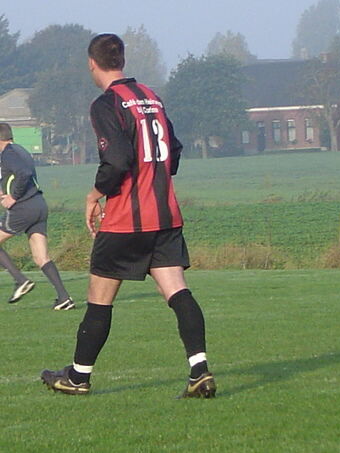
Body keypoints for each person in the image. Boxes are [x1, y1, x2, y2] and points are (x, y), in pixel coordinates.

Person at [41, 34, 216, 398]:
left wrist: (95, 194)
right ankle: (199, 371)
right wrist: (155, 178)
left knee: (99, 296)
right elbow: (174, 150)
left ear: (92, 63)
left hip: (125, 221)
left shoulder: (106, 104)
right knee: (177, 290)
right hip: (165, 216)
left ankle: (78, 377)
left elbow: (117, 159)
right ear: (121, 60)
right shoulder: (151, 96)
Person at [0, 123, 75, 310]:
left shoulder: (8, 154)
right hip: (38, 205)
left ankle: (20, 280)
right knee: (41, 257)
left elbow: (23, 174)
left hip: (23, 207)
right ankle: (64, 298)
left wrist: (13, 197)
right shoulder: (20, 150)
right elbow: (19, 176)